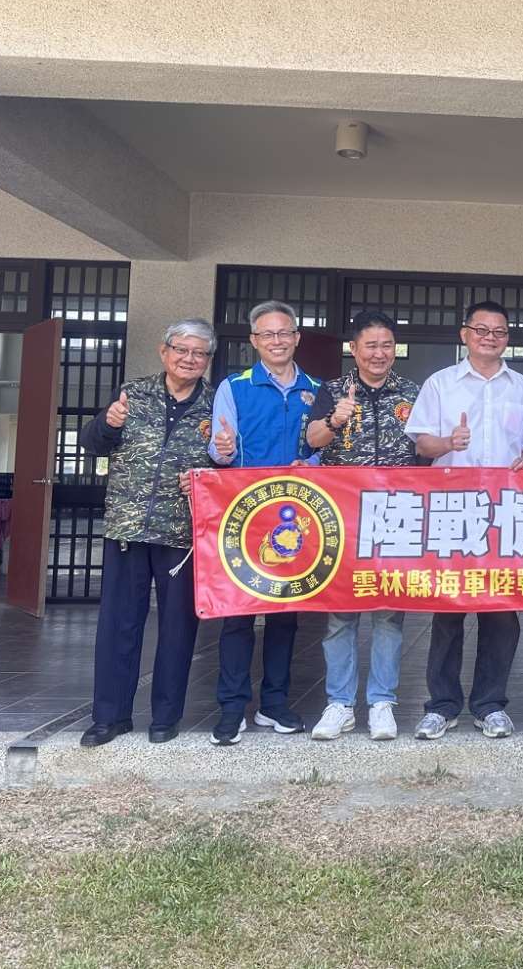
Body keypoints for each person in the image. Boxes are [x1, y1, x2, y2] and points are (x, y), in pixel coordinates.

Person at [406, 300, 523, 739]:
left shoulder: (522, 387)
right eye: (481, 330)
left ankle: (490, 705)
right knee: (448, 611)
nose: (490, 338)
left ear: (507, 338)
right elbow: (421, 444)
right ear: (465, 334)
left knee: (501, 612)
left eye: (498, 331)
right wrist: (449, 442)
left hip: (504, 513)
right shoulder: (440, 384)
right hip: (452, 511)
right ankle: (441, 705)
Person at [78, 318, 217, 747]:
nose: (189, 359)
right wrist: (108, 423)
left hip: (182, 535)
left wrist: (213, 472)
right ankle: (110, 717)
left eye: (199, 353)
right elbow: (92, 444)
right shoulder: (132, 394)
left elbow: (231, 467)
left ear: (208, 360)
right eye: (182, 350)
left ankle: (165, 718)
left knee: (178, 630)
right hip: (128, 529)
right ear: (164, 351)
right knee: (117, 627)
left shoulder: (217, 404)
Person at [207, 300, 322, 745]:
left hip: (297, 518)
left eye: (284, 333)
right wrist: (222, 450)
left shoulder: (317, 389)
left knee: (285, 615)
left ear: (297, 338)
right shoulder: (234, 387)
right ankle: (231, 708)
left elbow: (325, 449)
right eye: (267, 334)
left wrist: (313, 464)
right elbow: (221, 452)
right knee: (238, 615)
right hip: (246, 517)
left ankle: (274, 703)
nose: (277, 341)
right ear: (254, 341)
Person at [305, 310, 421, 742]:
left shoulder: (412, 392)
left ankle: (382, 702)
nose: (379, 353)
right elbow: (311, 440)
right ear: (354, 349)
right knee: (340, 614)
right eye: (370, 345)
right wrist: (335, 419)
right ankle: (339, 704)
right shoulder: (332, 390)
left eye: (386, 345)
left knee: (389, 613)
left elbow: (426, 451)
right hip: (344, 519)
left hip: (396, 517)